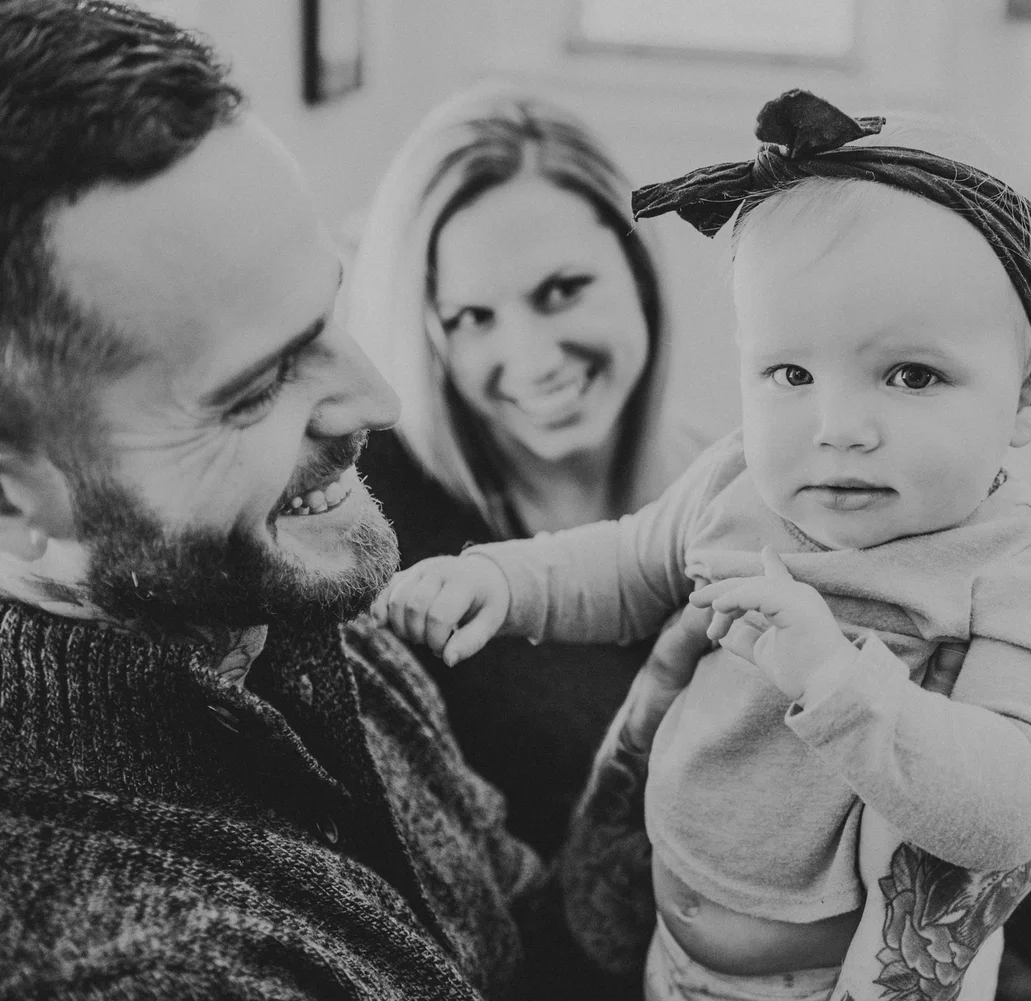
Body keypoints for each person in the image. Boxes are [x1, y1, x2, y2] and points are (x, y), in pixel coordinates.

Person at [0, 4, 676, 997]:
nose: (379, 401)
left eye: (329, 313)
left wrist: (654, 772)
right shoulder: (135, 962)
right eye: (256, 386)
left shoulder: (296, 602)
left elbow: (521, 941)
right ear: (18, 499)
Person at [378, 90, 1031, 1001]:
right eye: (791, 372)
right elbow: (622, 560)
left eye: (912, 374)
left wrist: (838, 682)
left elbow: (1026, 806)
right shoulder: (736, 485)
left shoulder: (1022, 567)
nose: (839, 425)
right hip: (668, 958)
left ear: (1030, 393)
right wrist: (501, 576)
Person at [348, 84, 705, 857]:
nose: (535, 360)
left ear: (639, 268)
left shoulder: (726, 488)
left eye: (563, 290)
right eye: (473, 317)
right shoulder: (375, 518)